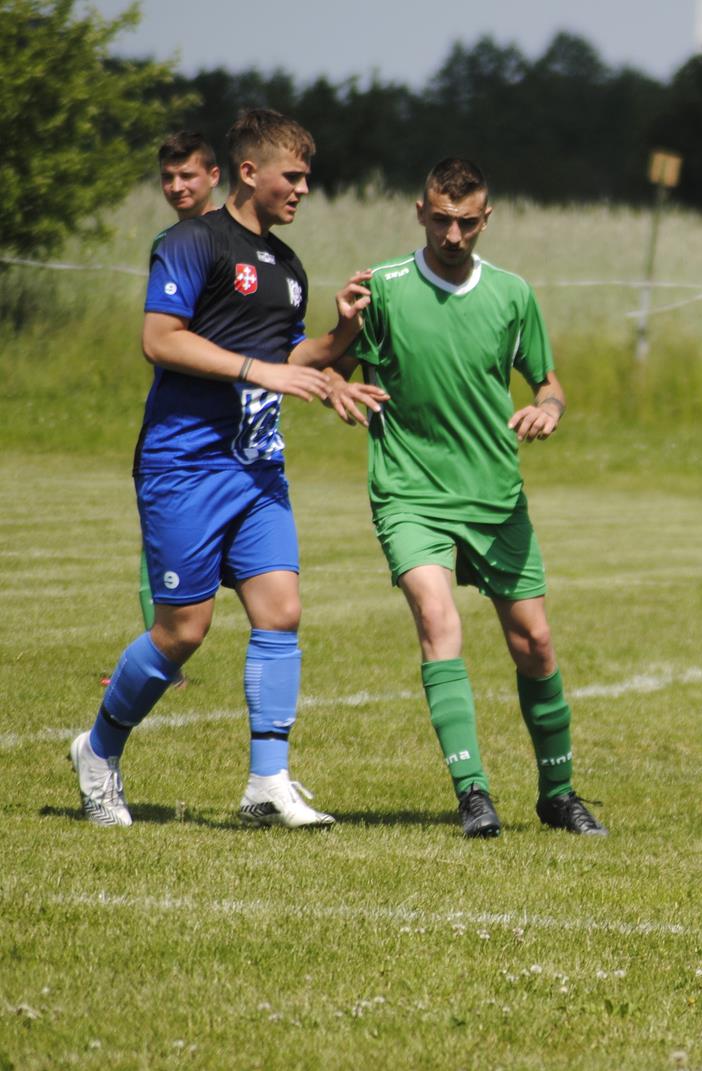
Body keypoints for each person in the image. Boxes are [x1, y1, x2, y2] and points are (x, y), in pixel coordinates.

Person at [69, 109, 382, 828]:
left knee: (281, 611)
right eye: (292, 176)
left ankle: (266, 784)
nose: (303, 189)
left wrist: (340, 343)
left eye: (307, 177)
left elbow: (289, 357)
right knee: (183, 631)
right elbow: (160, 339)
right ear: (249, 172)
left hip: (257, 470)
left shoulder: (290, 268)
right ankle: (98, 749)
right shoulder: (192, 242)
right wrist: (256, 371)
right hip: (185, 465)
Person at [319, 157, 606, 839]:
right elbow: (324, 365)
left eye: (466, 221)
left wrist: (550, 407)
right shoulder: (380, 288)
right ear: (420, 211)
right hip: (409, 490)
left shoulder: (512, 294)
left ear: (487, 218)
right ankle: (472, 790)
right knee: (437, 617)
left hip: (494, 494)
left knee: (534, 642)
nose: (453, 234)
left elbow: (549, 381)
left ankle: (558, 794)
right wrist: (338, 382)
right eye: (441, 219)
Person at [124, 133, 223, 685]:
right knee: (155, 536)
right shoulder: (168, 240)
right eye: (168, 177)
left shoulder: (234, 240)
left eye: (187, 175)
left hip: (226, 418)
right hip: (174, 415)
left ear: (215, 176)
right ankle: (165, 663)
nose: (176, 186)